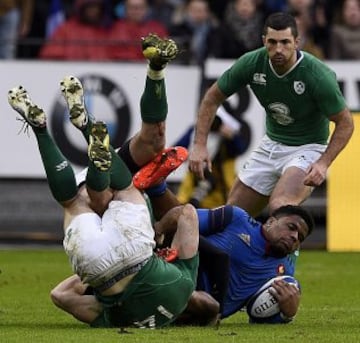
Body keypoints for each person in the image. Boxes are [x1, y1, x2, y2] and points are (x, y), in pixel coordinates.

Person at [7, 34, 201, 329]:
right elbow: (61, 296)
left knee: (147, 147)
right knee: (141, 152)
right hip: (103, 224)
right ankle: (50, 130)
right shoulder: (127, 316)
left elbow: (187, 215)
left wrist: (158, 232)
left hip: (120, 194)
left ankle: (91, 127)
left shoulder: (183, 286)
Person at [188, 11, 354, 218]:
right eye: (272, 42)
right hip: (271, 144)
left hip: (308, 147)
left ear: (296, 41)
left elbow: (346, 123)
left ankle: (287, 249)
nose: (278, 49)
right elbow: (211, 99)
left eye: (285, 42)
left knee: (281, 207)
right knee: (233, 216)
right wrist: (200, 145)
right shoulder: (251, 63)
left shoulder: (317, 75)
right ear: (264, 41)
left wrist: (323, 162)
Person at [155, 203, 315, 324]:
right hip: (172, 271)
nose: (294, 237)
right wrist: (157, 233)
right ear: (271, 222)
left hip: (200, 308)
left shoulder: (283, 274)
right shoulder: (236, 218)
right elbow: (182, 215)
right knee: (191, 220)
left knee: (209, 306)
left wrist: (287, 314)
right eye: (291, 227)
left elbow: (259, 316)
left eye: (300, 237)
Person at [38, 0, 116, 61]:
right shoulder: (66, 29)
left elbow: (121, 57)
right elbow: (49, 56)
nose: (93, 11)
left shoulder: (110, 30)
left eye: (96, 7)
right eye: (89, 7)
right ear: (82, 8)